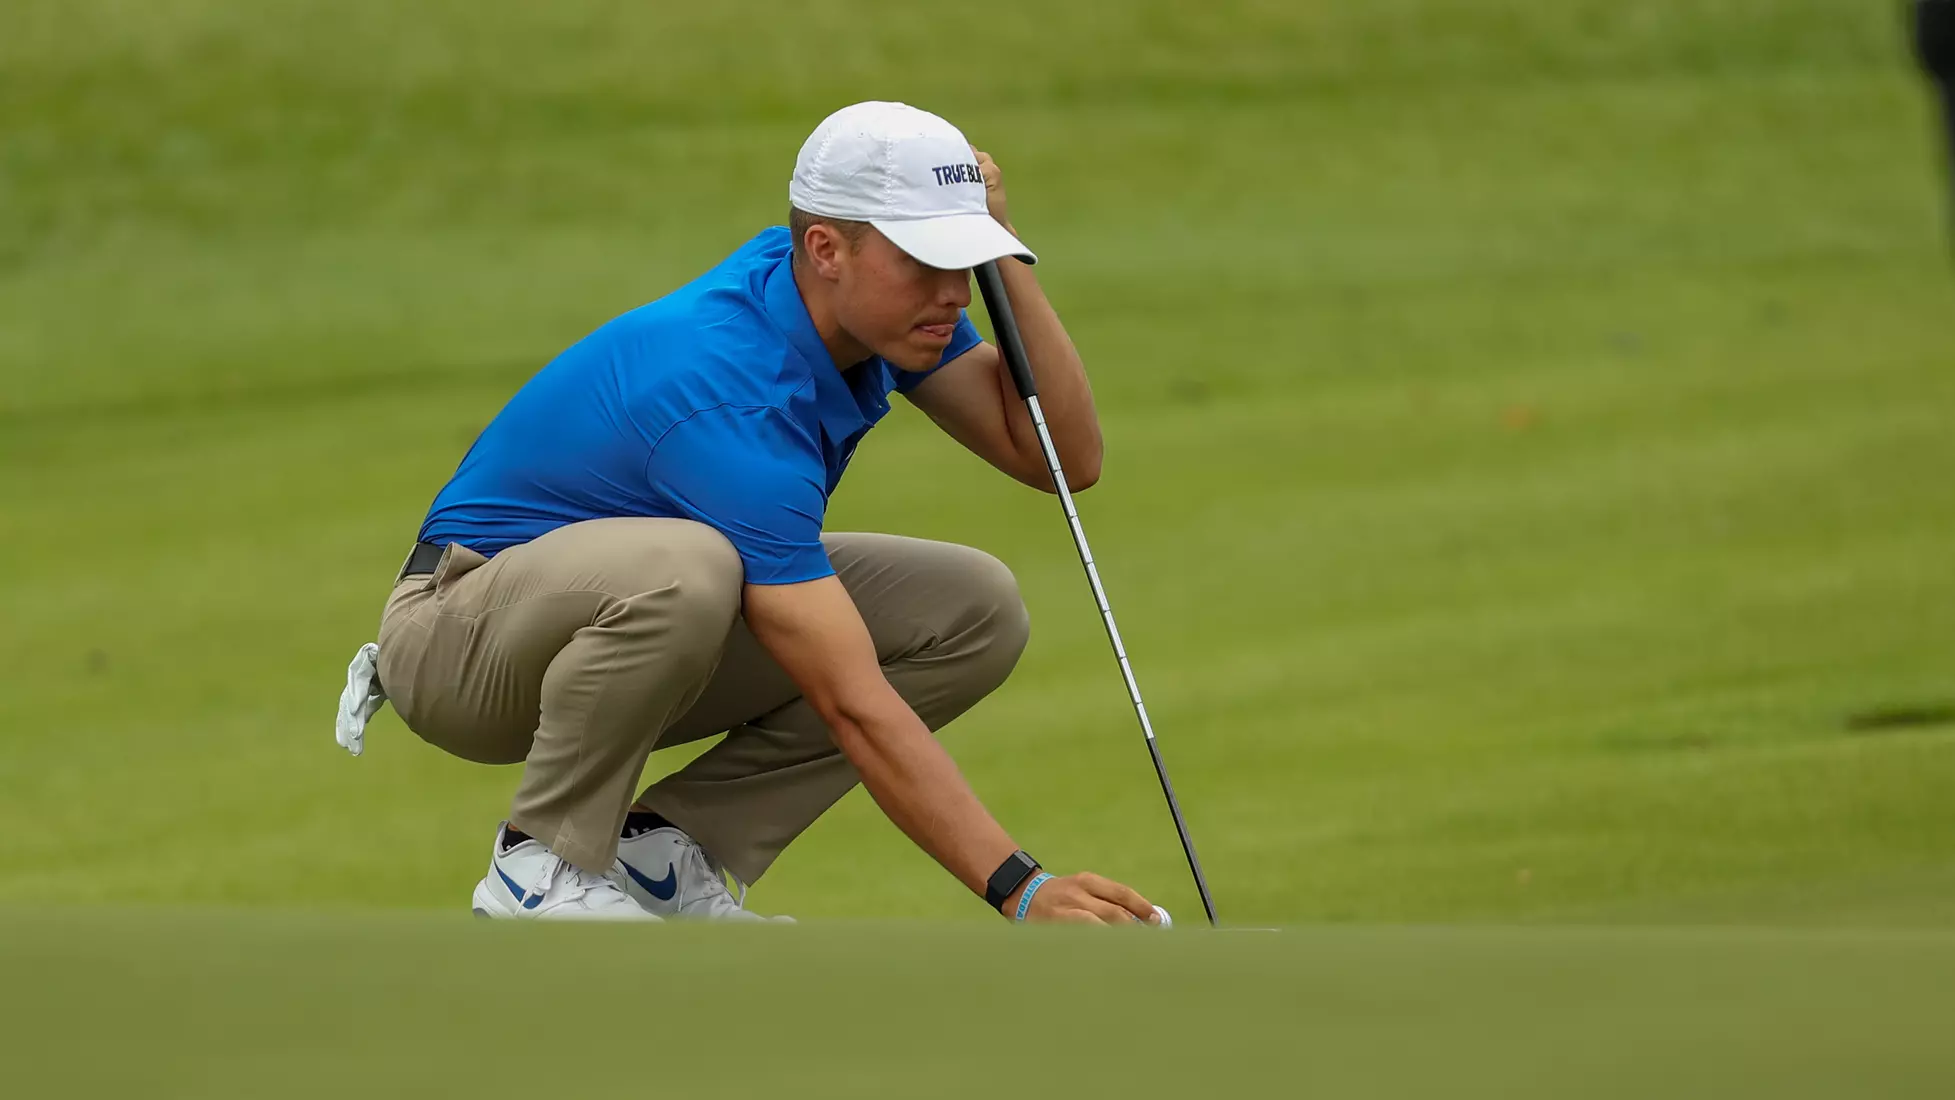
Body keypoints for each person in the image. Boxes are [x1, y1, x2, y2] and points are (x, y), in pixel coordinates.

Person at [333, 101, 1162, 926]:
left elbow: (1060, 456)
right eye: (923, 260)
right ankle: (537, 867)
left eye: (962, 261)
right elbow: (851, 702)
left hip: (617, 631)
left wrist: (1001, 259)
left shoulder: (861, 306)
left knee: (971, 609)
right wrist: (1021, 888)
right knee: (690, 570)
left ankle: (665, 851)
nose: (951, 294)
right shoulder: (726, 393)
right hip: (456, 642)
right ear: (827, 249)